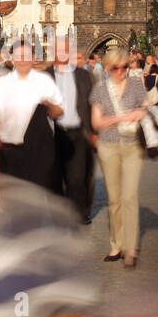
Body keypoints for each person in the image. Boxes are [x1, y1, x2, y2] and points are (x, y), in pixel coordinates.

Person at [89, 47, 148, 267]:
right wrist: (121, 117)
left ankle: (130, 247)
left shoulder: (135, 85)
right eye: (116, 68)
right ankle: (116, 244)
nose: (121, 71)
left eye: (125, 67)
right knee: (114, 199)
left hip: (133, 146)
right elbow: (96, 123)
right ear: (107, 68)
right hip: (109, 146)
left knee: (129, 196)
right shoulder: (100, 90)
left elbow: (145, 109)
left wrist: (140, 113)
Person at [0, 41, 65, 189]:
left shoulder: (44, 81)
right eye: (18, 56)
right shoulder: (3, 83)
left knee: (36, 198)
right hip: (9, 152)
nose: (22, 60)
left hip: (38, 152)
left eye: (26, 56)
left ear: (33, 57)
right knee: (12, 200)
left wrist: (49, 106)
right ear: (12, 58)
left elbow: (59, 112)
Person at [48, 38, 96, 222]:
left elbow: (91, 103)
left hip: (77, 131)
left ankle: (79, 213)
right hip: (53, 132)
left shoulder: (82, 75)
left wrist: (93, 131)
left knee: (77, 176)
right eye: (60, 50)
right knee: (55, 175)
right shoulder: (45, 75)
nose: (63, 53)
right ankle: (58, 213)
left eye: (66, 50)